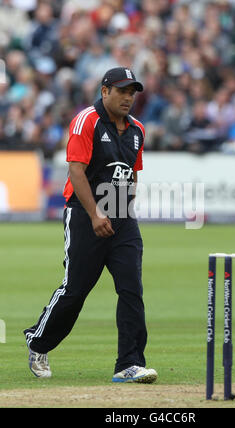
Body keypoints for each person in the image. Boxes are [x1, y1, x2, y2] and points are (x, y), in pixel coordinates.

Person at [24, 67, 158, 384]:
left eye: (132, 92)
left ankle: (129, 363)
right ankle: (38, 342)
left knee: (131, 289)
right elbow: (76, 172)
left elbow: (132, 172)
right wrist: (97, 213)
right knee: (76, 290)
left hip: (122, 217)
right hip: (85, 215)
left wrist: (125, 208)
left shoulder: (137, 129)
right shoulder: (87, 121)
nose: (128, 98)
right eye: (122, 91)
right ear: (105, 91)